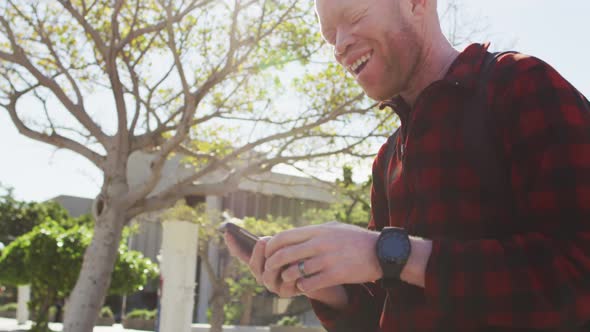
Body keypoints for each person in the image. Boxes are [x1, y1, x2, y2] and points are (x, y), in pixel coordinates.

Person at [225, 0, 590, 330]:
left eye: (353, 16)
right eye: (328, 36)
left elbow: (578, 275)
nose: (338, 46)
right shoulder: (388, 160)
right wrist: (319, 283)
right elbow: (382, 313)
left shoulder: (521, 86)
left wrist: (387, 253)